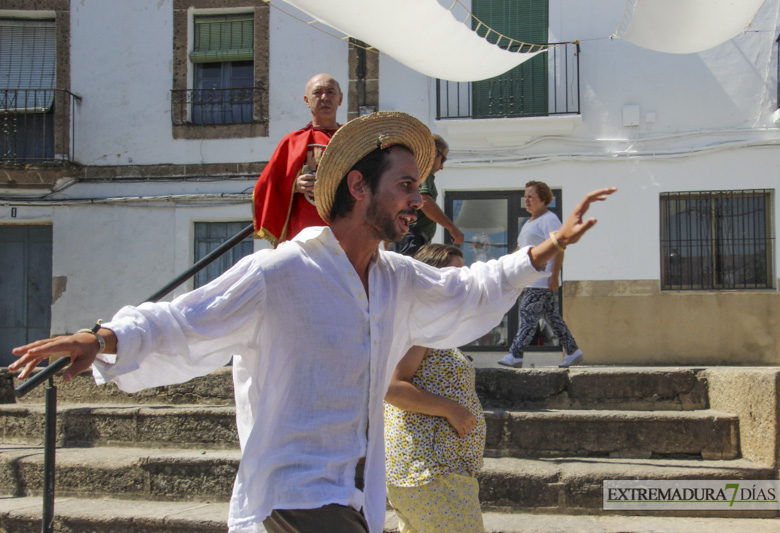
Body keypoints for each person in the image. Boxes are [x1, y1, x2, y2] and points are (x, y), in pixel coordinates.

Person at [10, 111, 615, 533]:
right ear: (358, 185)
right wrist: (105, 337)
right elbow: (186, 318)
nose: (417, 200)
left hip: (359, 500)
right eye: (406, 185)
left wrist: (545, 248)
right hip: (294, 495)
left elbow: (470, 288)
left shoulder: (397, 281)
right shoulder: (278, 274)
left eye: (419, 187)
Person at [384, 244, 485, 533]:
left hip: (436, 471)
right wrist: (452, 410)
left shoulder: (433, 326)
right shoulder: (421, 326)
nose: (462, 284)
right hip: (430, 472)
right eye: (453, 276)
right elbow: (391, 387)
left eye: (463, 276)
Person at [498, 181, 584, 369]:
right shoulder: (529, 222)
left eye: (531, 196)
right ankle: (572, 351)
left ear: (543, 199)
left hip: (542, 279)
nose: (526, 200)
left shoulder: (549, 219)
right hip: (532, 278)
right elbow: (521, 249)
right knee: (552, 317)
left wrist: (554, 275)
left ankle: (515, 354)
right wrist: (503, 263)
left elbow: (559, 247)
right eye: (525, 196)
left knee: (527, 313)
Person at [252, 73, 343, 245]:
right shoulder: (292, 142)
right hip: (304, 233)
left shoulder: (354, 139)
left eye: (330, 92)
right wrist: (294, 185)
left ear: (340, 98)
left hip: (346, 231)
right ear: (307, 100)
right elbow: (267, 185)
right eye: (317, 93)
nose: (324, 97)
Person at [391, 135, 464, 256]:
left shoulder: (409, 171)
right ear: (435, 152)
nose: (441, 167)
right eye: (443, 160)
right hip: (412, 239)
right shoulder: (422, 172)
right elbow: (424, 200)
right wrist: (452, 228)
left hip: (408, 239)